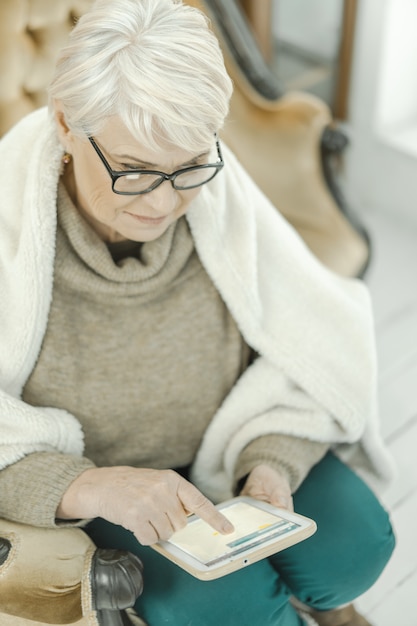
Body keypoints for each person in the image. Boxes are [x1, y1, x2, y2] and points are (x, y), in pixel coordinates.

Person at [0, 1, 395, 625]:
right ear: (66, 125)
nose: (163, 203)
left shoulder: (216, 190)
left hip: (225, 444)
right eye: (133, 171)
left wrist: (271, 456)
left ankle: (331, 608)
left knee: (356, 549)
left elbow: (313, 337)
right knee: (226, 611)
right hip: (107, 487)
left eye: (188, 167)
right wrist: (87, 487)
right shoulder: (9, 221)